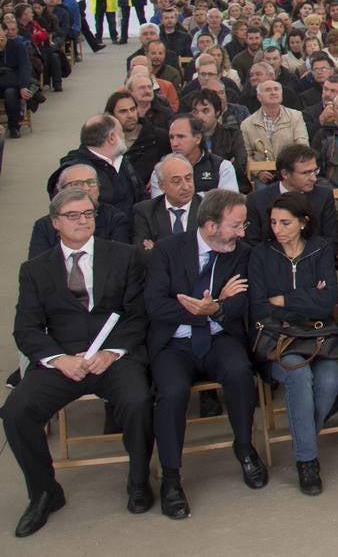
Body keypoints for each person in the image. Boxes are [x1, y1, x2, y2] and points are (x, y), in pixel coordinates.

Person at [2, 189, 155, 537]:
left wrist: (111, 353)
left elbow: (137, 315)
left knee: (138, 400)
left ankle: (139, 481)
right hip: (64, 360)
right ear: (55, 223)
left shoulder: (124, 257)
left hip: (112, 357)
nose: (82, 220)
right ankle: (44, 493)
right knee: (16, 412)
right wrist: (58, 360)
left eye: (88, 213)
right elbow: (25, 329)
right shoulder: (35, 270)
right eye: (73, 215)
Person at [145, 189, 267, 518]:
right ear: (211, 226)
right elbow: (156, 305)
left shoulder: (241, 252)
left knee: (240, 373)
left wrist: (216, 309)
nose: (242, 233)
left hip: (219, 337)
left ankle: (244, 447)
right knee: (171, 392)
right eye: (235, 226)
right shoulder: (168, 251)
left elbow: (241, 302)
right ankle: (171, 477)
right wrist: (208, 308)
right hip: (174, 342)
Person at [247, 191, 338, 495]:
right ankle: (307, 461)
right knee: (299, 375)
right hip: (278, 340)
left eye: (285, 223)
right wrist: (307, 299)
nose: (277, 229)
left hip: (319, 335)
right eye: (273, 222)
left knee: (328, 384)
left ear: (303, 223)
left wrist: (285, 299)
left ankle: (305, 440)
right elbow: (260, 306)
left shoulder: (321, 249)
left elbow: (327, 302)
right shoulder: (261, 254)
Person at [242, 143, 338, 247]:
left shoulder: (323, 197)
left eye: (315, 171)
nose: (313, 178)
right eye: (306, 173)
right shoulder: (257, 200)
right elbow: (253, 244)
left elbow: (331, 241)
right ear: (285, 174)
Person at [133, 155, 204, 251]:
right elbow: (142, 253)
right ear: (162, 186)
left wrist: (158, 249)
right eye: (176, 181)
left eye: (188, 178)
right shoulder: (145, 211)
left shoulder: (208, 208)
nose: (186, 187)